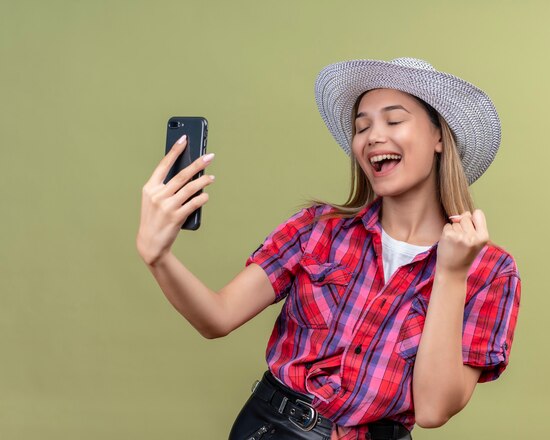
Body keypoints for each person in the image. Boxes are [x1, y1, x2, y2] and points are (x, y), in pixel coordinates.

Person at [136, 57, 522, 440]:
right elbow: (216, 318)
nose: (372, 136)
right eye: (362, 126)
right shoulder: (316, 230)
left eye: (393, 120)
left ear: (440, 136)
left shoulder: (490, 271)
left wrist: (451, 274)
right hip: (273, 429)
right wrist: (160, 258)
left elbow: (434, 410)